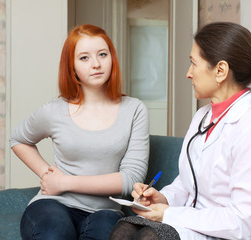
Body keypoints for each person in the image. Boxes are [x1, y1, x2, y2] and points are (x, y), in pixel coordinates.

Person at [109, 22, 251, 240]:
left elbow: (242, 224)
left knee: (151, 237)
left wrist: (169, 214)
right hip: (197, 226)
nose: (188, 73)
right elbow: (188, 183)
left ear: (220, 71)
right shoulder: (203, 117)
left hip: (236, 235)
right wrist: (163, 199)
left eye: (193, 64)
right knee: (125, 230)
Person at [10, 24, 149, 240]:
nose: (96, 64)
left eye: (102, 54)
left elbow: (131, 179)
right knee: (55, 233)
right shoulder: (54, 110)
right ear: (71, 66)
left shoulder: (134, 109)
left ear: (112, 58)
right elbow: (18, 139)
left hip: (106, 212)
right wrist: (47, 174)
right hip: (52, 205)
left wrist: (64, 182)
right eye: (84, 58)